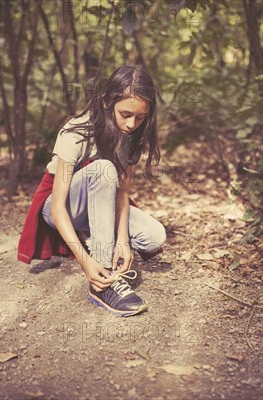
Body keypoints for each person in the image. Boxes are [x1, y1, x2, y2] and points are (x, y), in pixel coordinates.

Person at [17, 65, 166, 317]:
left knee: (154, 236)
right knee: (104, 169)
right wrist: (86, 263)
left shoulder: (131, 137)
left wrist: (122, 242)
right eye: (125, 114)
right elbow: (57, 207)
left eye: (140, 117)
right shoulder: (76, 132)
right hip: (62, 208)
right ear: (107, 102)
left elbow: (122, 193)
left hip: (103, 203)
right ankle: (103, 281)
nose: (131, 124)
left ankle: (100, 239)